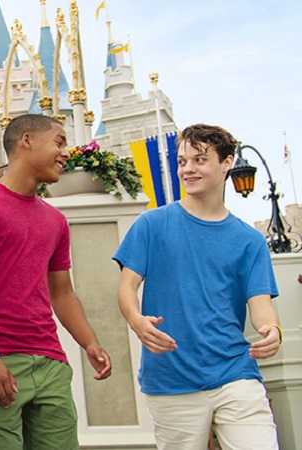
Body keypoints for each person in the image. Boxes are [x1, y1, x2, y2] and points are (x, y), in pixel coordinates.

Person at [0, 114, 112, 450]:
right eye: (59, 142)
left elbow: (62, 292)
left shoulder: (56, 220)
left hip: (50, 361)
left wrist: (90, 342)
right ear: (26, 140)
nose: (66, 153)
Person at [113, 124, 281, 450]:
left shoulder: (250, 241)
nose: (188, 169)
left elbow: (260, 303)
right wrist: (136, 320)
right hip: (171, 377)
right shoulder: (151, 224)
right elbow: (126, 286)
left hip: (236, 372)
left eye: (200, 160)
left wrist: (272, 329)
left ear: (227, 163)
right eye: (182, 161)